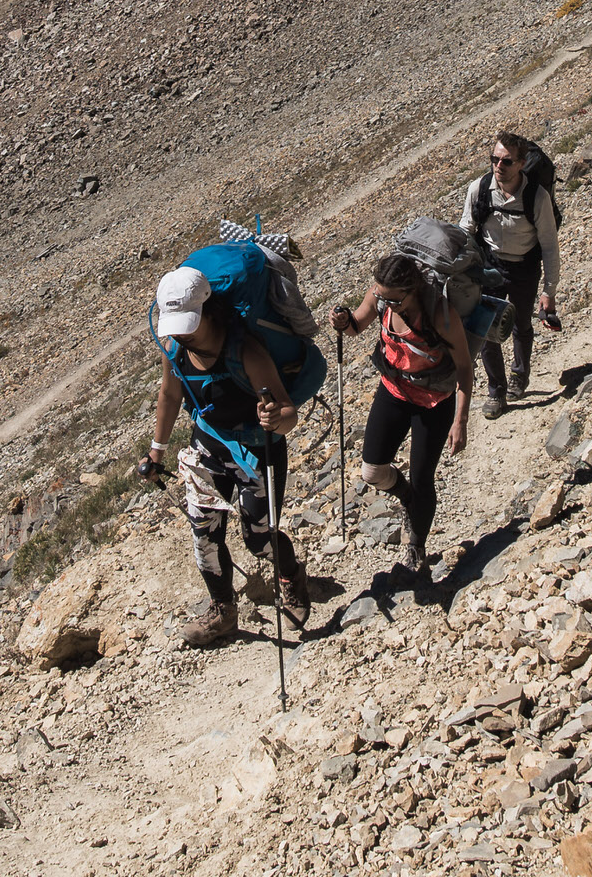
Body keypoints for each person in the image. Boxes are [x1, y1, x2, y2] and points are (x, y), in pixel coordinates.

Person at [149, 263, 314, 650]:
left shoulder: (246, 350)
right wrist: (157, 452)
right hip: (207, 449)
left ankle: (291, 576)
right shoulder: (175, 348)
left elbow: (288, 413)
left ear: (207, 311)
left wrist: (276, 418)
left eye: (188, 322)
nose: (181, 333)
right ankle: (222, 611)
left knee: (259, 537)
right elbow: (170, 397)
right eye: (176, 324)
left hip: (258, 453)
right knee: (204, 535)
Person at [330, 251, 473, 578]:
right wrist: (343, 321)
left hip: (435, 401)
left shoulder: (440, 316)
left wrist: (460, 420)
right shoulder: (382, 295)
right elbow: (357, 326)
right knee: (371, 471)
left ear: (412, 291)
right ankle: (407, 497)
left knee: (424, 478)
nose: (383, 303)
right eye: (379, 295)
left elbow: (465, 367)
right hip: (394, 389)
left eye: (392, 300)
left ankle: (417, 545)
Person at [460, 129, 561, 420]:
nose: (498, 166)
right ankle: (496, 390)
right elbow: (465, 231)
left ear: (521, 163)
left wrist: (549, 291)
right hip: (489, 267)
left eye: (506, 161)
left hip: (524, 267)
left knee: (521, 323)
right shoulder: (478, 189)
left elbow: (550, 245)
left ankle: (520, 374)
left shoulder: (537, 197)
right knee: (484, 329)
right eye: (494, 159)